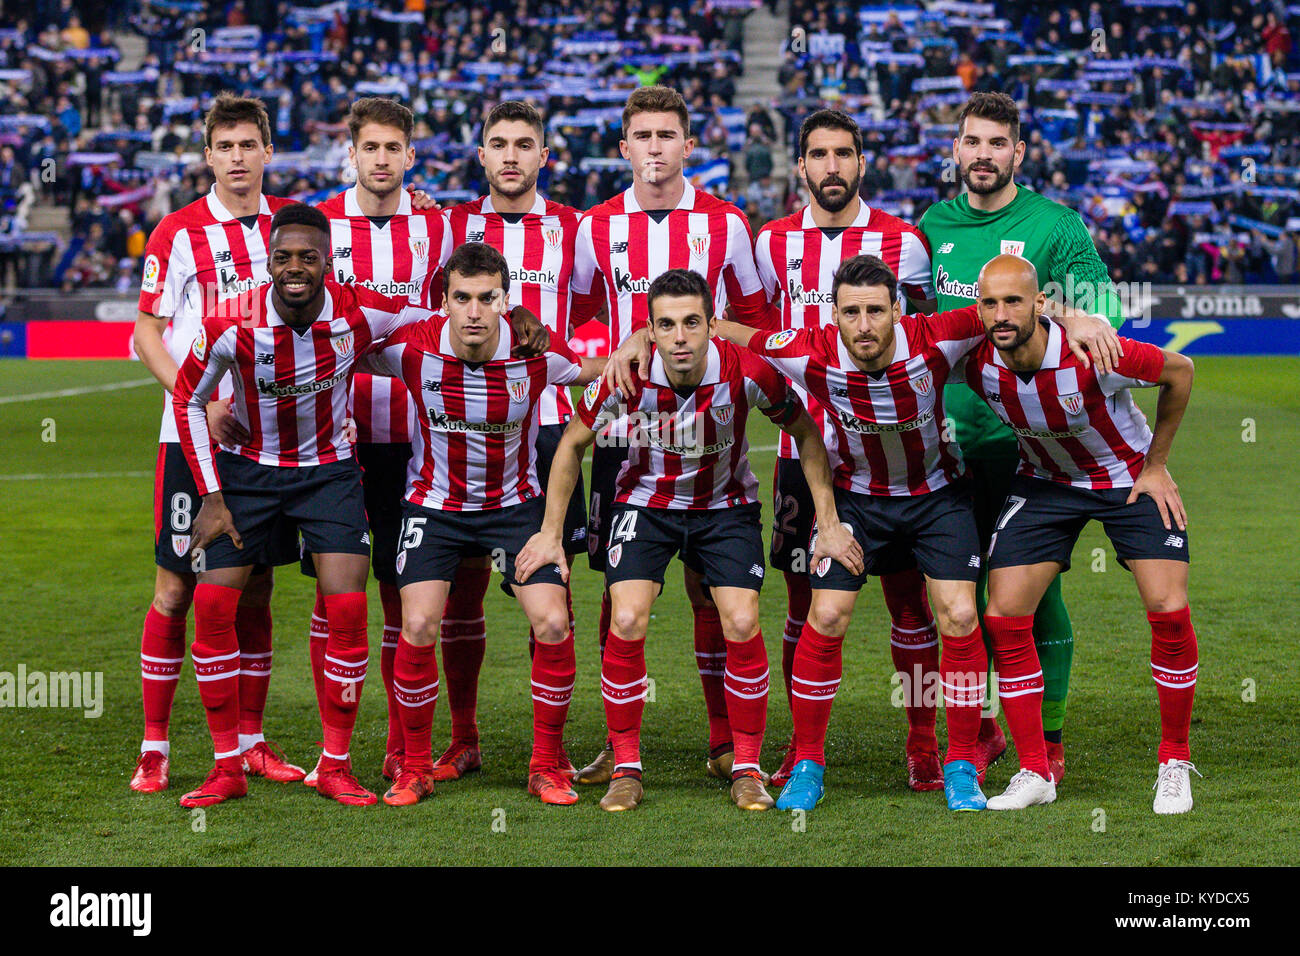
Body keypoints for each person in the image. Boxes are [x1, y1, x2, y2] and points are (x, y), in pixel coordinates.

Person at [714, 254, 1119, 812]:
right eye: (851, 312)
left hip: (938, 499)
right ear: (833, 316)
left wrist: (1076, 318)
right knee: (826, 614)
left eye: (876, 311)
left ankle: (959, 762)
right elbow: (735, 332)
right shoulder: (806, 349)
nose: (864, 326)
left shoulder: (936, 337)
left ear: (898, 312)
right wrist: (642, 340)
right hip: (858, 500)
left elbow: (1011, 312)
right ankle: (808, 760)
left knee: (959, 615)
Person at [517, 269, 861, 812]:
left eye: (692, 323)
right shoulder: (625, 376)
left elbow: (806, 435)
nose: (681, 337)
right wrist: (550, 535)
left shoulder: (748, 371)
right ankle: (625, 767)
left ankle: (746, 767)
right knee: (627, 617)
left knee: (743, 619)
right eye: (667, 325)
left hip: (724, 508)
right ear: (650, 332)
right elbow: (572, 445)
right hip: (645, 506)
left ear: (710, 327)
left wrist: (830, 522)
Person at [171, 203, 432, 808]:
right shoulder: (230, 324)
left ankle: (335, 765)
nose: (295, 268)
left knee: (346, 609)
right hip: (248, 474)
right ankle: (227, 766)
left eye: (308, 258)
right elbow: (189, 399)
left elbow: (435, 320)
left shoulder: (358, 312)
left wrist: (520, 320)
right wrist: (211, 494)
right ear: (269, 261)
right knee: (212, 607)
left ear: (326, 261)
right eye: (284, 257)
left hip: (328, 474)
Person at [919, 91, 1129, 784]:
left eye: (996, 143)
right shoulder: (931, 226)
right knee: (956, 596)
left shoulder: (1055, 225)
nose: (983, 155)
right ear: (956, 149)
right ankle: (979, 731)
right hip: (944, 445)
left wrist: (1065, 308)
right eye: (971, 142)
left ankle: (1052, 735)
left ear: (1018, 151)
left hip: (1028, 444)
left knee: (1032, 593)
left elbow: (1103, 316)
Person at [569, 85, 775, 787]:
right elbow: (576, 318)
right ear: (623, 147)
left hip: (711, 413)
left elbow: (752, 315)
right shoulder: (595, 227)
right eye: (642, 136)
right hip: (628, 420)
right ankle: (617, 746)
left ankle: (726, 742)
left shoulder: (727, 223)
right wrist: (613, 354)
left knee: (708, 587)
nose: (655, 148)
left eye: (668, 135)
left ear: (690, 145)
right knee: (619, 587)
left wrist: (711, 342)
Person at [360, 242, 606, 807]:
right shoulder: (411, 348)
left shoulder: (534, 355)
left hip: (516, 510)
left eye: (486, 298)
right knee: (418, 623)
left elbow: (593, 370)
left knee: (551, 621)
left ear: (505, 300)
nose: (474, 311)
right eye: (462, 298)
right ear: (443, 301)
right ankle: (416, 766)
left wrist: (640, 346)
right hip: (433, 508)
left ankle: (547, 763)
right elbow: (339, 348)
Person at [963, 255, 1198, 813]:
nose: (1002, 313)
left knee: (1168, 608)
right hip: (1045, 483)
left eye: (1014, 301)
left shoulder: (1094, 354)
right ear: (978, 309)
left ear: (1041, 304)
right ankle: (1034, 770)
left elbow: (1181, 370)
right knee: (1003, 616)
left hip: (1126, 478)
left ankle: (1174, 760)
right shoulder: (975, 362)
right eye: (990, 303)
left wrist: (1158, 464)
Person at [754, 108, 944, 791]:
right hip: (800, 450)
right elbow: (754, 333)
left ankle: (923, 742)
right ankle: (805, 748)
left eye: (843, 154)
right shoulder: (770, 243)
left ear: (861, 162)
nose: (831, 167)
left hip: (890, 454)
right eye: (818, 155)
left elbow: (930, 342)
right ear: (799, 166)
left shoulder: (904, 243)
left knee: (910, 603)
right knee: (805, 603)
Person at [129, 93, 302, 794]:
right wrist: (198, 396)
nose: (237, 158)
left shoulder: (288, 231)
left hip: (266, 445)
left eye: (247, 146)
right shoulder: (177, 231)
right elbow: (144, 333)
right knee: (176, 589)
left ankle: (252, 742)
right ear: (208, 155)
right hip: (190, 434)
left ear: (268, 152)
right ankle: (155, 745)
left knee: (256, 589)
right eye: (224, 147)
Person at [434, 100, 592, 783]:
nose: (510, 156)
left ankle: (546, 753)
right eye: (497, 143)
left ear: (543, 157)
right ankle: (463, 737)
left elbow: (597, 321)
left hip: (549, 426)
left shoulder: (574, 230)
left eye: (524, 144)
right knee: (463, 589)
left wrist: (555, 346)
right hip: (465, 425)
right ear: (481, 155)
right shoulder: (446, 226)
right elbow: (426, 311)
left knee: (548, 586)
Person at [300, 97, 453, 787]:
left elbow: (451, 314)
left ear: (410, 155)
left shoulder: (439, 227)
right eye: (371, 148)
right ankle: (334, 748)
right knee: (332, 597)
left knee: (398, 590)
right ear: (352, 154)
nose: (383, 159)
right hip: (333, 440)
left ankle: (397, 744)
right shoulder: (320, 226)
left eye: (395, 147)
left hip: (414, 438)